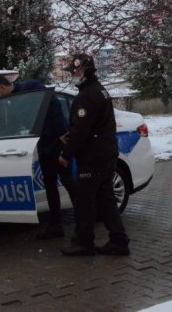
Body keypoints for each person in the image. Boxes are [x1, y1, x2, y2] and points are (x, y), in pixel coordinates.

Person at [0, 74, 74, 247]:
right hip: (43, 145)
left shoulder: (30, 87)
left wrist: (62, 133)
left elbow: (53, 104)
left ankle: (83, 224)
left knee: (69, 182)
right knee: (50, 185)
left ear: (2, 87)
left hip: (56, 142)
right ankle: (55, 225)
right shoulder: (12, 102)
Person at [58, 54, 130, 256]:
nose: (71, 75)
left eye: (73, 72)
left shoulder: (87, 95)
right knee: (106, 199)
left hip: (93, 157)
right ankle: (119, 241)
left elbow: (82, 130)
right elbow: (93, 125)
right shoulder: (100, 90)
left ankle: (84, 243)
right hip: (105, 153)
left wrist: (66, 154)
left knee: (85, 201)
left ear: (82, 71)